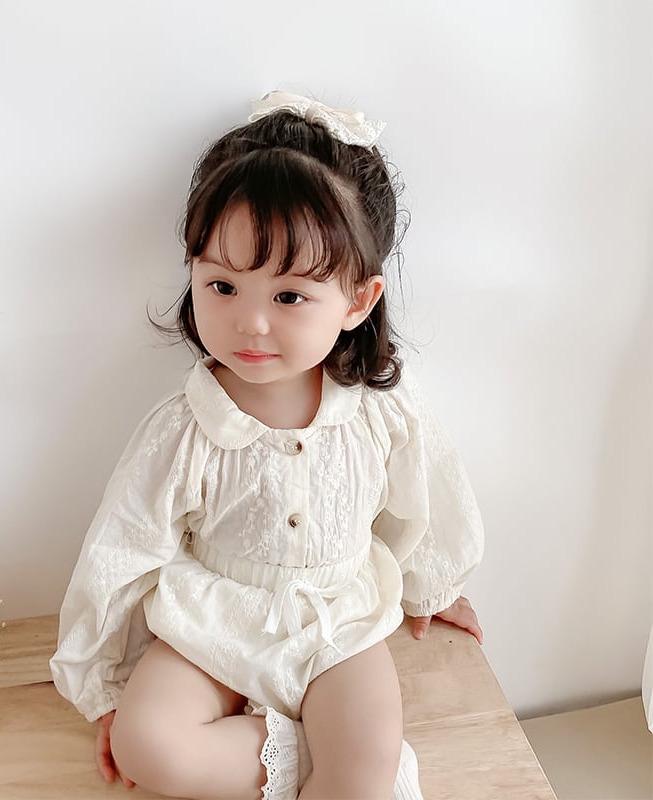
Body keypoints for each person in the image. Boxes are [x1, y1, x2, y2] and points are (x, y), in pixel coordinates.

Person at [50, 90, 485, 800]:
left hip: (338, 621)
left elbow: (427, 495)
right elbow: (120, 550)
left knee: (367, 763)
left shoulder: (379, 413)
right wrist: (100, 686)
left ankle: (350, 761)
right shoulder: (185, 428)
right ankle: (321, 754)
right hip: (211, 621)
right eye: (222, 285)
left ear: (357, 300)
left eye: (288, 297)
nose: (249, 322)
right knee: (144, 745)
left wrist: (435, 586)